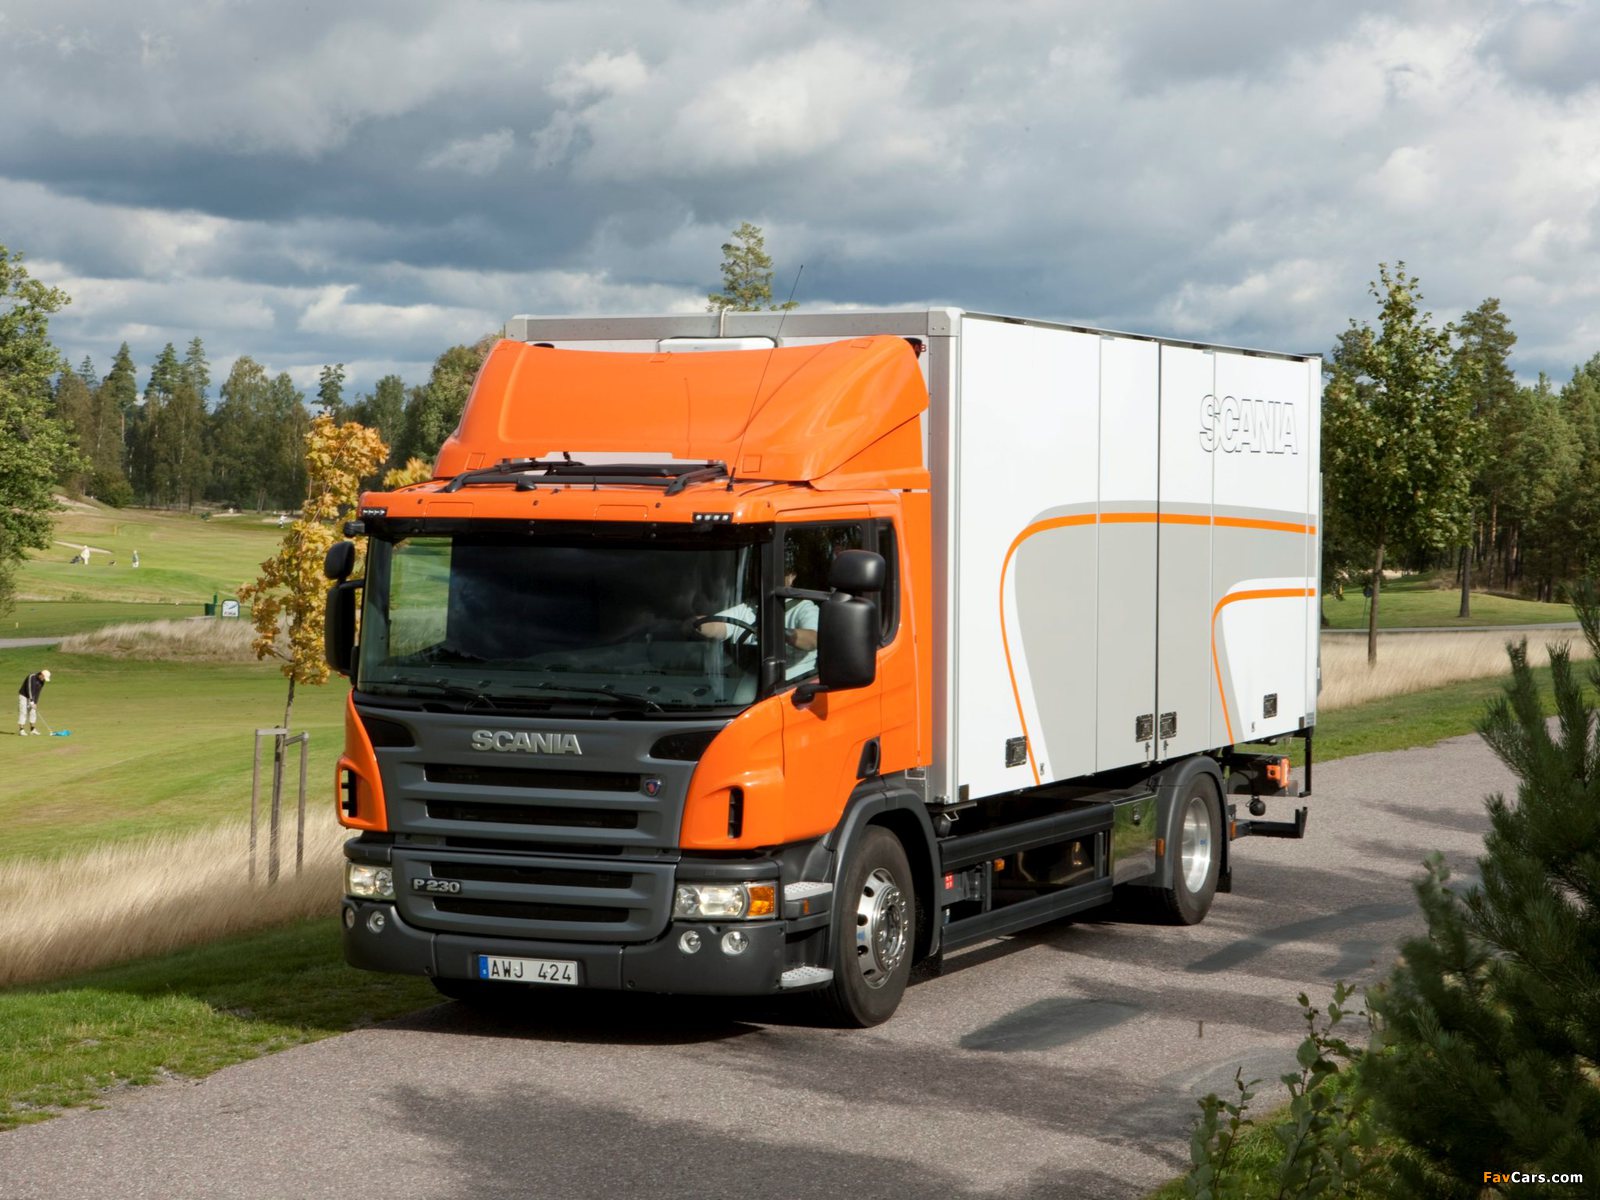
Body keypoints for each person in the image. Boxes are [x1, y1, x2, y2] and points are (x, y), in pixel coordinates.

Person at [689, 543, 819, 680]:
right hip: (751, 682)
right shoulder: (747, 608)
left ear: (792, 576)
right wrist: (697, 624)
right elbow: (718, 625)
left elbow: (814, 640)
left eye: (777, 573)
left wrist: (779, 633)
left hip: (795, 683)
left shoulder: (804, 608)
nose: (769, 577)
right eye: (763, 573)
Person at [17, 668, 51, 736]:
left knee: (33, 712)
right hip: (24, 696)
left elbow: (38, 692)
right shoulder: (32, 677)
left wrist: (35, 702)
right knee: (23, 712)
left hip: (32, 698)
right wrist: (31, 701)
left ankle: (32, 729)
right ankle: (21, 730)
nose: (44, 679)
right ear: (41, 674)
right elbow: (29, 689)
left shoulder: (42, 681)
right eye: (44, 678)